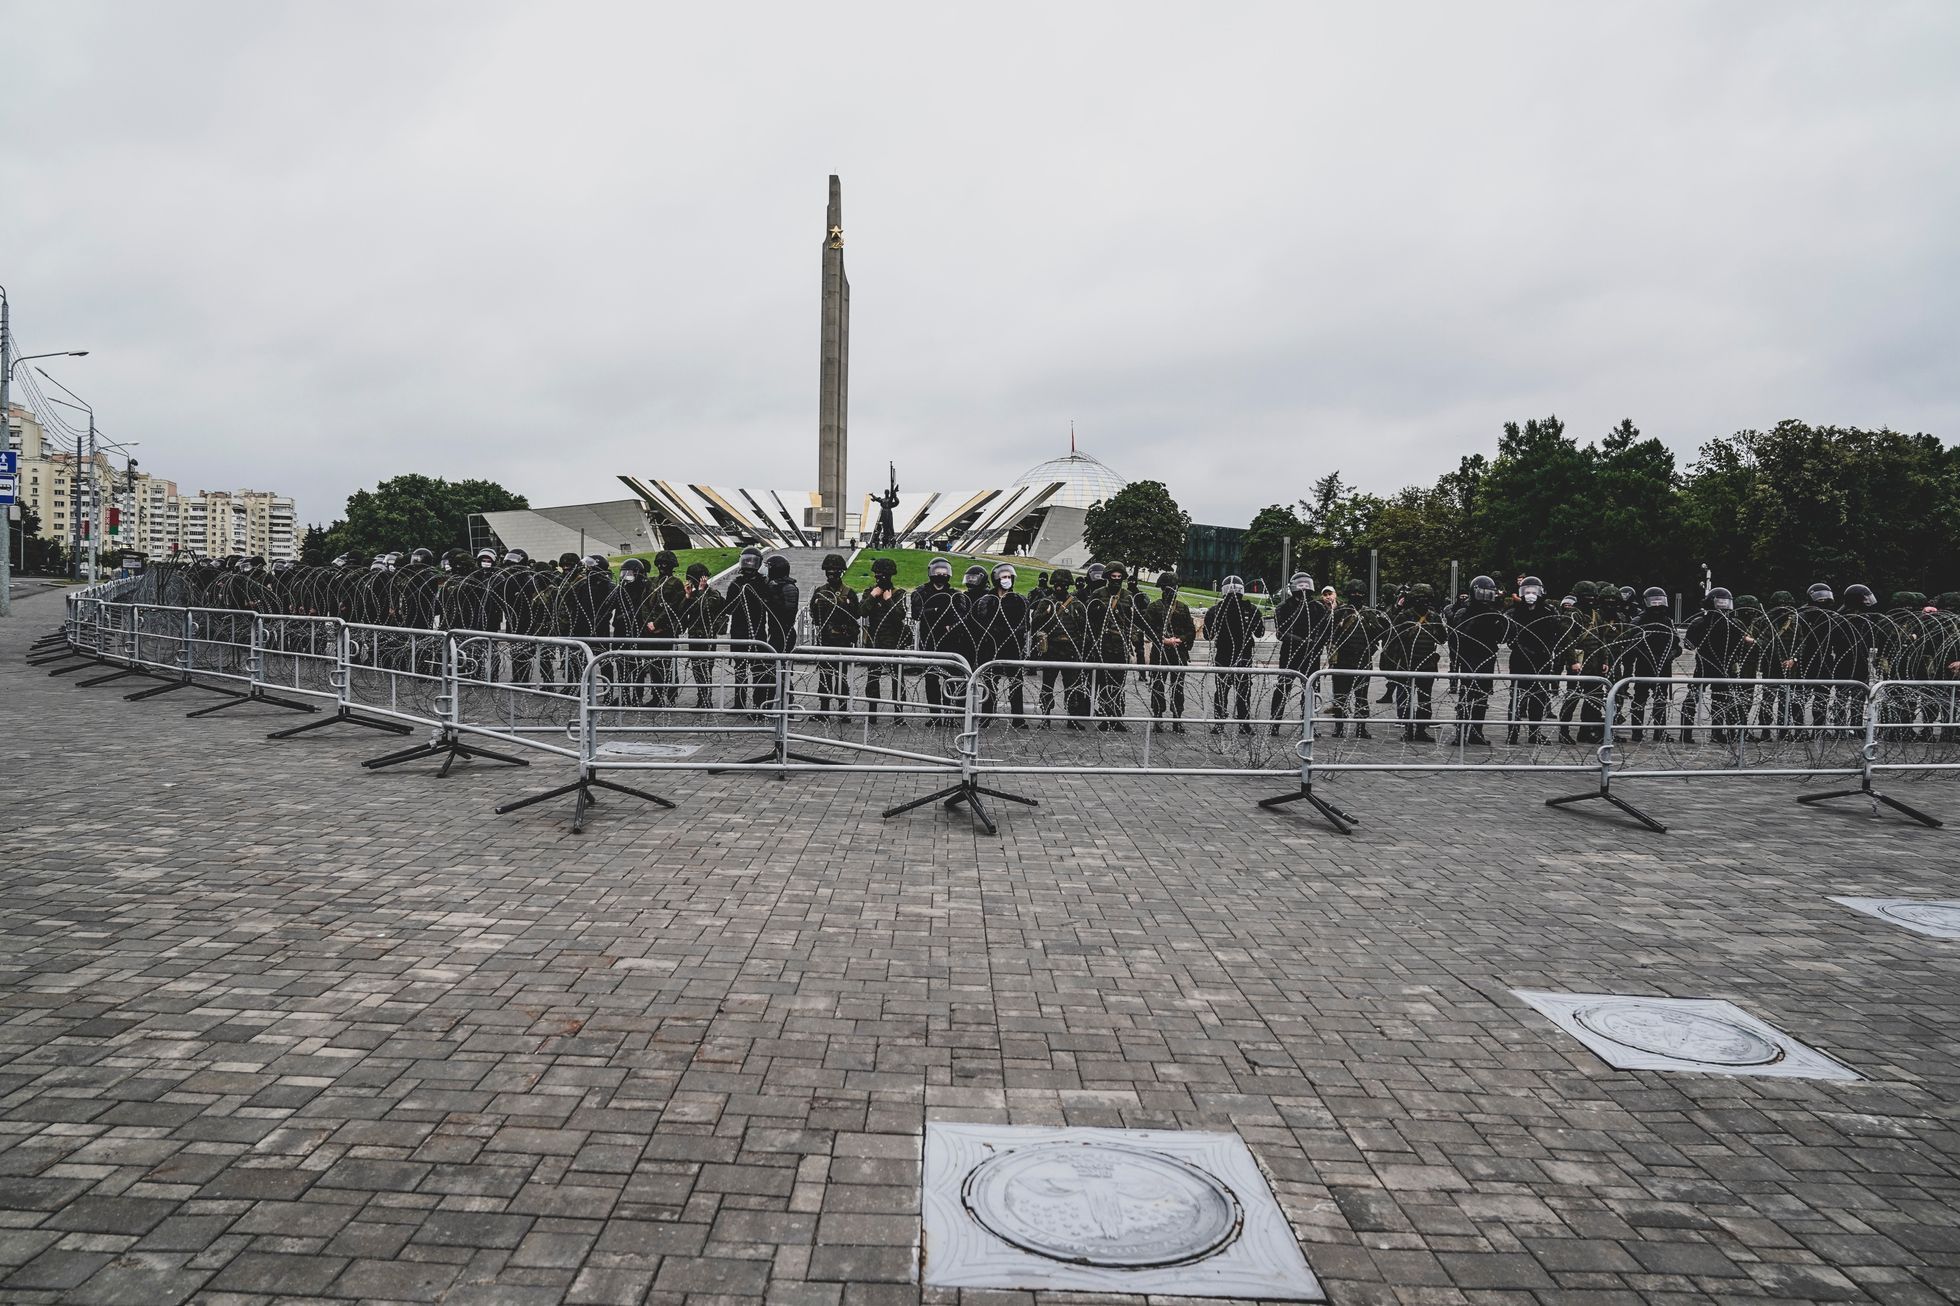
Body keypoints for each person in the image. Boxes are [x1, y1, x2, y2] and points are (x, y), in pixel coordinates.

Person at [1681, 587, 1748, 740]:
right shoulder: (1707, 623)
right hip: (1709, 665)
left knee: (1720, 700)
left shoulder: (1729, 624)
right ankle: (1689, 733)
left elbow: (1689, 645)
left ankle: (1713, 733)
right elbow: (1689, 644)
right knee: (1701, 698)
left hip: (1720, 666)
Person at [1380, 583, 1444, 740]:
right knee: (1406, 698)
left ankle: (1421, 730)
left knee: (1425, 699)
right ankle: (1408, 729)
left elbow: (1442, 638)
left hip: (1427, 662)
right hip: (1407, 661)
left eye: (1426, 599)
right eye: (1420, 599)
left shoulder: (1434, 617)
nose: (1424, 602)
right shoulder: (1404, 616)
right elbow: (1393, 637)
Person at [969, 562, 1030, 726]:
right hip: (991, 645)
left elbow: (1024, 625)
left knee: (1016, 682)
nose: (1007, 580)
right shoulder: (987, 600)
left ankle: (1018, 718)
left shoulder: (1019, 600)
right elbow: (980, 622)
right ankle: (987, 716)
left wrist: (1016, 636)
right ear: (996, 579)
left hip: (1012, 646)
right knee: (990, 682)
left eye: (1009, 577)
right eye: (1004, 577)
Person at [1450, 574, 1509, 744]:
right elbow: (1459, 635)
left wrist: (1498, 615)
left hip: (1486, 657)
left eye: (1487, 594)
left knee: (1482, 697)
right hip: (1469, 658)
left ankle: (1477, 732)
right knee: (1467, 696)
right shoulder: (1464, 611)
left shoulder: (1493, 614)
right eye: (1481, 593)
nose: (1484, 597)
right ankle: (1460, 733)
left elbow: (1503, 636)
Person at [1268, 571, 1329, 735]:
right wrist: (1302, 641)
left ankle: (1309, 724)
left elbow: (1326, 631)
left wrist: (1316, 643)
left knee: (1311, 690)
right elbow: (1281, 632)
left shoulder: (1319, 608)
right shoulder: (1284, 607)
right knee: (1282, 689)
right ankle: (1274, 723)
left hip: (1311, 655)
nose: (1303, 590)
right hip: (1290, 653)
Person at [1202, 575, 1265, 733]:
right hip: (1241, 655)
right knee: (1242, 690)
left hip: (1227, 654)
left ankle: (1220, 723)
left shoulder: (1216, 609)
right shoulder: (1250, 609)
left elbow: (1207, 634)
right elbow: (1260, 633)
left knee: (1223, 690)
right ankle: (1243, 724)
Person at [1089, 562, 1147, 730]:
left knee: (1119, 684)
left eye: (1118, 577)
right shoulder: (1098, 594)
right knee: (1104, 683)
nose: (1115, 580)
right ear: (1107, 578)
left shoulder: (1129, 596)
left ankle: (1117, 716)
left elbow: (1136, 619)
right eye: (1113, 577)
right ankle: (1105, 717)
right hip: (1103, 644)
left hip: (1121, 645)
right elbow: (1090, 618)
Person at [1507, 576, 1564, 744]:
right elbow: (1507, 634)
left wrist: (1547, 649)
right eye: (1526, 591)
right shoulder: (1514, 611)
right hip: (1520, 658)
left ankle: (1535, 733)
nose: (1530, 594)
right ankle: (1513, 732)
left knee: (1538, 698)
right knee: (1516, 697)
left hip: (1542, 658)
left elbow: (1557, 632)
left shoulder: (1548, 611)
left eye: (1534, 591)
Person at [1030, 568, 1090, 727]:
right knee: (1047, 685)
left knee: (1072, 686)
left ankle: (1072, 718)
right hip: (1052, 648)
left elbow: (1084, 628)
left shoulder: (1076, 604)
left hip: (1070, 649)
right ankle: (1045, 716)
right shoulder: (1046, 602)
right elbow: (1035, 624)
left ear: (1068, 585)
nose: (1059, 587)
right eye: (1056, 584)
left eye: (1063, 584)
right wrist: (1047, 614)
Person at [1325, 579, 1384, 739]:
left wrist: (1370, 648)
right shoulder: (1340, 612)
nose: (1356, 596)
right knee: (1340, 697)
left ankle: (1361, 728)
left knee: (1362, 697)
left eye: (1359, 593)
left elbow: (1378, 634)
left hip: (1363, 660)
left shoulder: (1369, 614)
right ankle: (1339, 727)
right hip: (1343, 660)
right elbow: (1330, 635)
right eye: (1353, 593)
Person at [1622, 586, 1680, 741]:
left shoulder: (1667, 621)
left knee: (1661, 699)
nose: (1657, 605)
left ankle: (1659, 732)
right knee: (1640, 698)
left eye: (1660, 601)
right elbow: (1629, 645)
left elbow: (1677, 644)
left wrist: (1671, 655)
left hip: (1664, 665)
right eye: (1654, 602)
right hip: (1644, 665)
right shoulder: (1639, 620)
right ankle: (1637, 732)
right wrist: (1644, 655)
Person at [808, 553, 861, 721]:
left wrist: (842, 607)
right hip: (826, 638)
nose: (831, 575)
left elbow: (856, 614)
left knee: (841, 677)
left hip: (842, 639)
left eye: (834, 572)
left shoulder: (848, 593)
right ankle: (824, 710)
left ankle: (843, 711)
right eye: (829, 571)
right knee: (825, 676)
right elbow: (814, 616)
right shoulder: (819, 592)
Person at [910, 557, 962, 724]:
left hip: (949, 641)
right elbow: (918, 613)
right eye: (937, 572)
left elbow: (959, 614)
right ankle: (935, 715)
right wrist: (938, 611)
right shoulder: (921, 592)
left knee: (950, 678)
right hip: (929, 640)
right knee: (931, 679)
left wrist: (943, 618)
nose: (941, 575)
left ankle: (949, 714)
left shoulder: (954, 594)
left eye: (944, 572)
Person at [1144, 572, 1197, 729]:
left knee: (1178, 687)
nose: (1171, 591)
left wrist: (1180, 639)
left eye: (1174, 588)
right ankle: (1158, 716)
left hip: (1178, 652)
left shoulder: (1182, 607)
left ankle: (1177, 716)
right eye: (1169, 588)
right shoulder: (1154, 607)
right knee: (1158, 685)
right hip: (1160, 652)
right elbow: (1148, 629)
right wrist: (1163, 639)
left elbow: (1190, 630)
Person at [723, 547, 774, 711]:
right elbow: (728, 608)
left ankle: (758, 702)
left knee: (757, 668)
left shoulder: (763, 583)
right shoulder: (736, 584)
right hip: (739, 631)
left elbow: (768, 604)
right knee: (740, 669)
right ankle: (739, 702)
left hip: (756, 630)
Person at [861, 557, 912, 719]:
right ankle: (872, 711)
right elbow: (861, 612)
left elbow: (900, 616)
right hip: (875, 640)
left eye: (883, 575)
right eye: (877, 575)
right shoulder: (870, 592)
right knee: (873, 677)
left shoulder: (899, 594)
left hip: (894, 640)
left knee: (897, 678)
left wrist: (888, 600)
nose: (879, 578)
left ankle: (899, 713)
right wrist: (873, 596)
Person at [679, 561, 725, 710]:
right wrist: (687, 596)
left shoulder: (713, 594)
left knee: (706, 668)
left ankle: (706, 699)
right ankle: (701, 697)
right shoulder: (691, 595)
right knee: (697, 669)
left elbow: (704, 608)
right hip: (694, 636)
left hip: (707, 637)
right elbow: (682, 613)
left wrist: (700, 591)